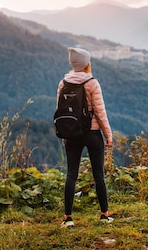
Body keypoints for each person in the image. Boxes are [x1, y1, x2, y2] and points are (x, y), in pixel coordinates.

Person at [58, 47, 113, 228]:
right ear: (86, 64)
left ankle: (67, 218)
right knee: (98, 175)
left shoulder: (63, 83)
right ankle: (105, 214)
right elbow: (100, 112)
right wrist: (108, 135)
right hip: (92, 134)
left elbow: (61, 111)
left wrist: (65, 133)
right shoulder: (92, 83)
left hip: (72, 134)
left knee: (71, 174)